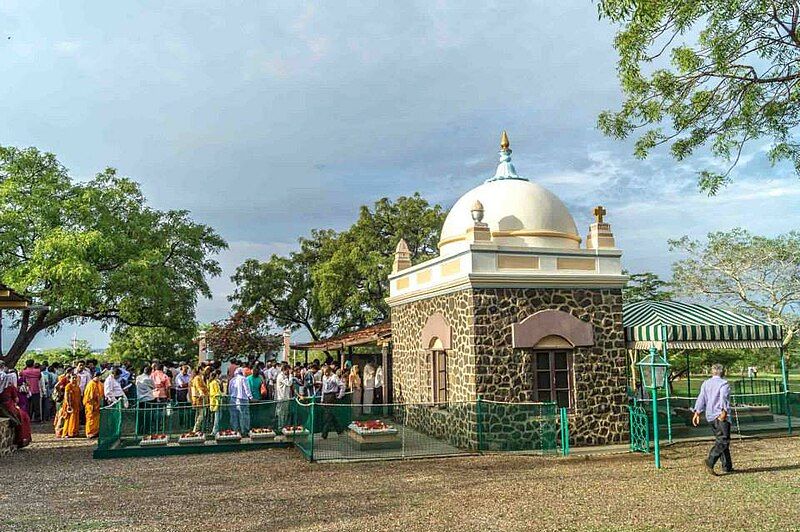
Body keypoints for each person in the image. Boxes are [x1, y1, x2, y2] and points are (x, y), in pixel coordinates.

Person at [692, 363, 734, 475]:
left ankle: (727, 466)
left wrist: (697, 412)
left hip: (710, 415)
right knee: (724, 440)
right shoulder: (724, 384)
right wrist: (724, 412)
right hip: (720, 416)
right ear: (723, 372)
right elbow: (723, 397)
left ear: (712, 372)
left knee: (720, 439)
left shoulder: (706, 383)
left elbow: (701, 398)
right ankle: (710, 461)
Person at [0, 371, 32, 448]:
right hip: (9, 408)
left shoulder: (2, 388)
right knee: (23, 416)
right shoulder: (11, 388)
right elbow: (16, 400)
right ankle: (22, 438)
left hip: (3, 407)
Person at [320, 366, 345, 439]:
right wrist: (322, 399)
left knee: (327, 416)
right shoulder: (324, 377)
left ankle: (324, 434)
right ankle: (339, 430)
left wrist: (340, 395)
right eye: (324, 372)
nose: (325, 374)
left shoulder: (334, 377)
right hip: (325, 396)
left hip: (331, 396)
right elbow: (323, 388)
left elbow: (342, 385)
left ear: (330, 371)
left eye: (326, 372)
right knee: (330, 415)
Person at [56, 374, 81, 438]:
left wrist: (80, 404)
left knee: (75, 419)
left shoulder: (77, 387)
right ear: (69, 379)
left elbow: (79, 396)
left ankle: (74, 432)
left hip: (76, 405)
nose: (74, 379)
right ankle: (67, 433)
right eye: (73, 378)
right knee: (68, 419)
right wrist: (69, 405)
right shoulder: (68, 386)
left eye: (75, 378)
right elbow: (67, 396)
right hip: (69, 405)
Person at [228, 368, 252, 434]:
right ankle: (244, 430)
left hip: (233, 399)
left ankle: (235, 430)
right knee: (244, 415)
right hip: (242, 399)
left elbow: (229, 390)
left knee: (234, 415)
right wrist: (250, 397)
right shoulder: (244, 379)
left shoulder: (232, 380)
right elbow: (246, 389)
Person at [83, 374, 104, 438]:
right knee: (90, 418)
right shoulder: (91, 384)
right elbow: (89, 397)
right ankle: (89, 433)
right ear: (93, 377)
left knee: (97, 419)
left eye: (99, 376)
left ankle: (96, 432)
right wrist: (92, 405)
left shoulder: (100, 384)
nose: (98, 378)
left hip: (98, 404)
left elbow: (102, 394)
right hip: (91, 405)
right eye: (97, 376)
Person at [190, 366, 209, 433]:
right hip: (200, 399)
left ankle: (197, 428)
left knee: (199, 414)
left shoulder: (198, 378)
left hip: (199, 398)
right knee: (201, 414)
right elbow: (198, 387)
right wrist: (201, 393)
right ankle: (196, 429)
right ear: (200, 370)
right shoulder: (197, 378)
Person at [208, 370, 223, 435]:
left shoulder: (210, 383)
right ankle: (215, 431)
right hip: (217, 402)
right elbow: (217, 392)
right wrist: (221, 395)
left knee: (216, 417)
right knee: (217, 417)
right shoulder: (215, 383)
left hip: (213, 401)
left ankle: (215, 430)